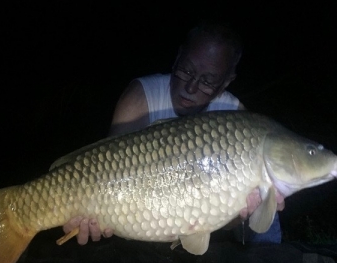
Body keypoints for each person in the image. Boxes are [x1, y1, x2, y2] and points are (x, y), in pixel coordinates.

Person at [62, 22, 285, 245]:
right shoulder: (140, 98)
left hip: (207, 219)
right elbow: (104, 174)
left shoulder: (237, 118)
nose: (190, 87)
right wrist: (91, 212)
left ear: (226, 82)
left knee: (267, 215)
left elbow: (225, 217)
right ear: (177, 58)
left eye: (207, 82)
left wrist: (239, 215)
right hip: (141, 211)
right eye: (186, 71)